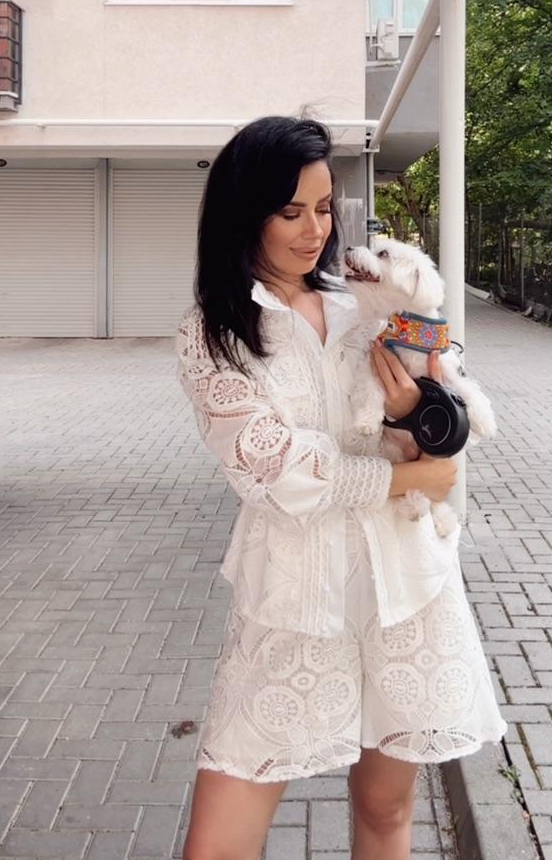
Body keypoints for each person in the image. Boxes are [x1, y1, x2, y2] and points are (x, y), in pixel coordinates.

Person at [175, 116, 507, 860]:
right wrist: (407, 477)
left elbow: (446, 412)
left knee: (387, 811)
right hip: (294, 600)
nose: (315, 230)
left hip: (406, 592)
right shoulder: (215, 333)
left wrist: (415, 412)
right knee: (219, 838)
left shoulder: (365, 304)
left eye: (324, 208)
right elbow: (276, 473)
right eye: (290, 212)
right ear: (244, 213)